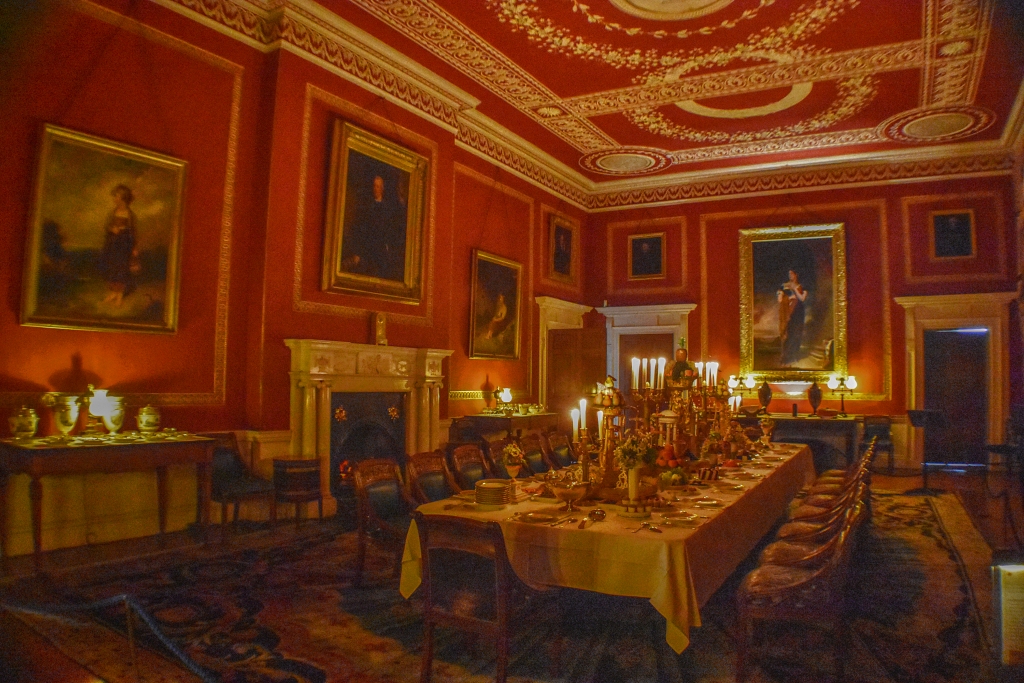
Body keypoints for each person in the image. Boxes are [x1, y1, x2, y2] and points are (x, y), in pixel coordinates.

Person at [342, 174, 406, 282]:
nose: (375, 189)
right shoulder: (367, 207)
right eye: (374, 186)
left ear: (382, 189)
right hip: (368, 250)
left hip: (382, 251)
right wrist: (359, 252)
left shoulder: (387, 209)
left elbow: (390, 230)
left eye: (378, 186)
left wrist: (387, 247)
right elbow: (361, 230)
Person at [99, 184, 140, 307]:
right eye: (114, 197)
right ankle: (113, 292)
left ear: (123, 198)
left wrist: (134, 248)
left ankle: (120, 295)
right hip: (112, 245)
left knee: (122, 269)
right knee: (112, 268)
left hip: (124, 246)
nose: (114, 199)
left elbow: (133, 232)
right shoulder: (113, 212)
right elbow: (107, 226)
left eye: (116, 197)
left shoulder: (130, 214)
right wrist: (112, 228)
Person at [778, 269, 808, 366]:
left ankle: (794, 356)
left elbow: (802, 298)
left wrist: (794, 289)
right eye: (789, 274)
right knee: (787, 334)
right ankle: (785, 358)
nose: (790, 276)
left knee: (796, 334)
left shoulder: (802, 286)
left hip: (798, 313)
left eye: (792, 274)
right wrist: (789, 298)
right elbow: (780, 300)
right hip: (788, 314)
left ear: (796, 274)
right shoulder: (784, 286)